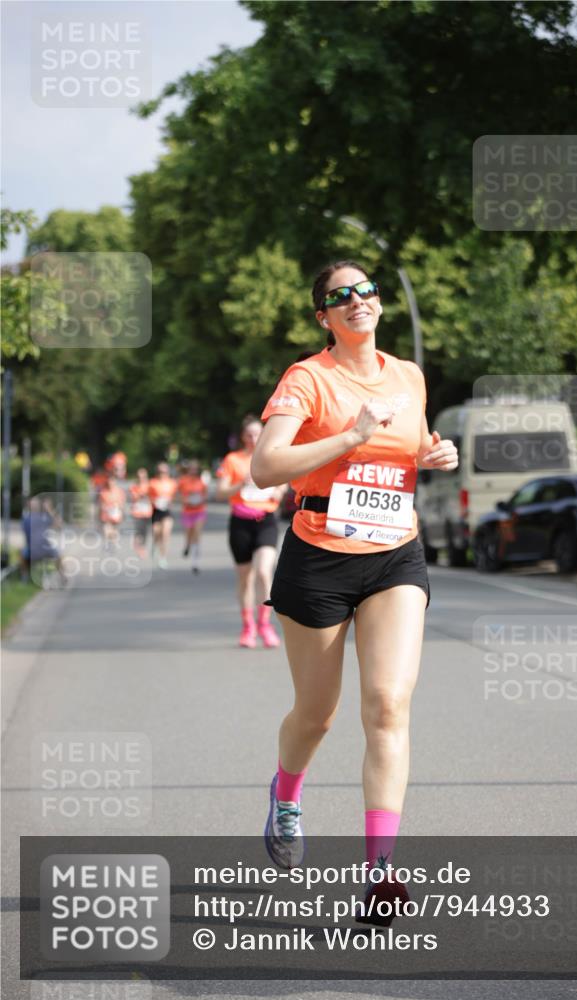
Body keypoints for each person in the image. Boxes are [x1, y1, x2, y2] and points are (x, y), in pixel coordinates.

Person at [251, 260, 458, 926]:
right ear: (324, 316)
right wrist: (349, 435)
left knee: (387, 704)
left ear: (377, 304)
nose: (356, 300)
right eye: (339, 295)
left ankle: (379, 871)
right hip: (317, 558)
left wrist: (431, 454)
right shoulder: (308, 378)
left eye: (365, 290)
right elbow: (264, 467)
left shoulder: (408, 375)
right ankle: (285, 795)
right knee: (317, 715)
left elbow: (409, 444)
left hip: (394, 553)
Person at [216, 415, 287, 648]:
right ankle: (248, 627)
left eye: (258, 434)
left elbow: (283, 481)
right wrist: (242, 484)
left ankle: (265, 624)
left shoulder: (271, 456)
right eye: (249, 434)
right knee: (245, 577)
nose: (253, 438)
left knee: (265, 571)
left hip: (265, 520)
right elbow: (221, 492)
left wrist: (278, 491)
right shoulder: (233, 460)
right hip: (240, 522)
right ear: (242, 437)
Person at [177, 460, 208, 574]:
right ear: (188, 470)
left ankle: (195, 563)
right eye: (192, 469)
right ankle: (187, 545)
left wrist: (200, 500)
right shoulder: (183, 481)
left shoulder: (201, 482)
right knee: (189, 534)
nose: (194, 471)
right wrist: (185, 500)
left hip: (199, 511)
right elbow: (178, 495)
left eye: (195, 469)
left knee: (197, 534)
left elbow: (205, 495)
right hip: (187, 511)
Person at [148, 463, 177, 569]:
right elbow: (148, 496)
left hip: (166, 511)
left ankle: (163, 557)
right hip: (156, 510)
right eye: (160, 472)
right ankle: (155, 546)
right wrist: (154, 501)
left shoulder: (172, 483)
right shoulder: (152, 483)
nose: (162, 474)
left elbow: (175, 496)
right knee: (156, 532)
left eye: (164, 472)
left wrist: (170, 501)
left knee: (165, 533)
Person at [128, 468, 152, 559]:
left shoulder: (150, 486)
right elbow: (134, 497)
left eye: (143, 476)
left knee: (145, 532)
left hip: (147, 512)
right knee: (139, 531)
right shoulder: (134, 487)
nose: (141, 478)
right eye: (139, 476)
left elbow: (154, 496)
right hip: (137, 512)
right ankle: (139, 548)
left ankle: (142, 546)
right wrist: (141, 494)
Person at [98, 473, 126, 548]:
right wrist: (103, 508)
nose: (110, 483)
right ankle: (112, 541)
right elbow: (100, 503)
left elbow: (122, 503)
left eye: (112, 481)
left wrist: (120, 510)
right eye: (109, 481)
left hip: (115, 514)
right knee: (106, 531)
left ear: (115, 482)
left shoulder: (119, 491)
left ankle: (113, 542)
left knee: (114, 530)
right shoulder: (103, 491)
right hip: (106, 515)